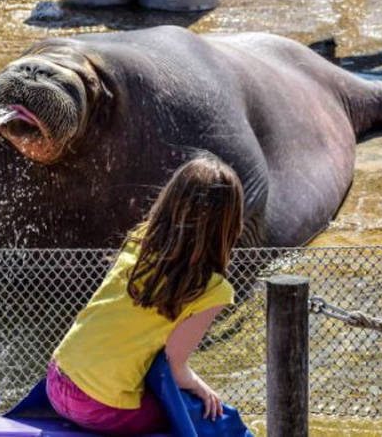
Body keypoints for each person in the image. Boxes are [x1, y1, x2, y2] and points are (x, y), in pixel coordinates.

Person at [46, 155, 244, 435]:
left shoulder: (138, 242)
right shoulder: (213, 290)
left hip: (55, 382)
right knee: (195, 413)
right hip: (99, 408)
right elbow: (176, 368)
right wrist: (201, 387)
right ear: (229, 224)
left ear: (169, 200)